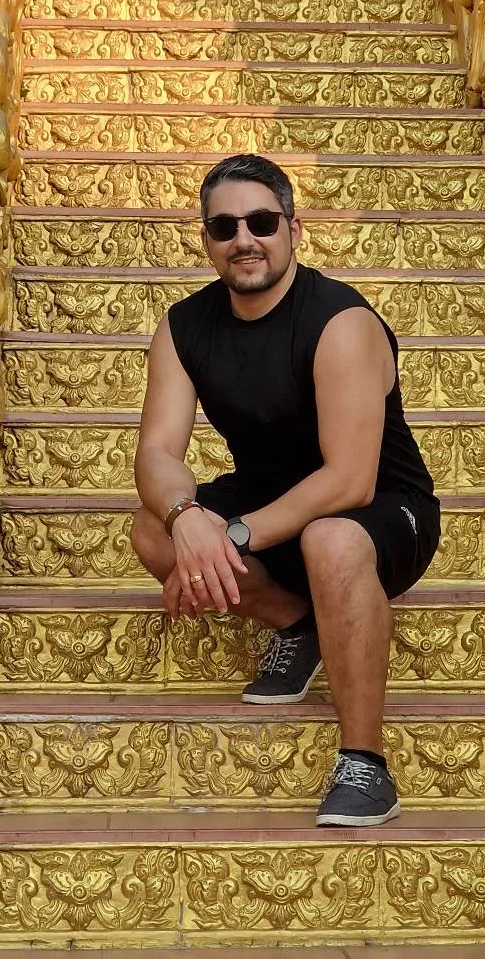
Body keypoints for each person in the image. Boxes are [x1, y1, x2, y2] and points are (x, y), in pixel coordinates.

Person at [131, 154, 439, 827]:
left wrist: (228, 536)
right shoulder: (184, 327)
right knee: (151, 530)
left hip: (380, 511)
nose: (244, 239)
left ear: (294, 229)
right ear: (206, 240)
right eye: (224, 227)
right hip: (273, 500)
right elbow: (156, 452)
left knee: (330, 539)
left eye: (262, 221)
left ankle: (366, 765)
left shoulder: (339, 321)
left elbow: (349, 479)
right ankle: (296, 624)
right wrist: (186, 517)